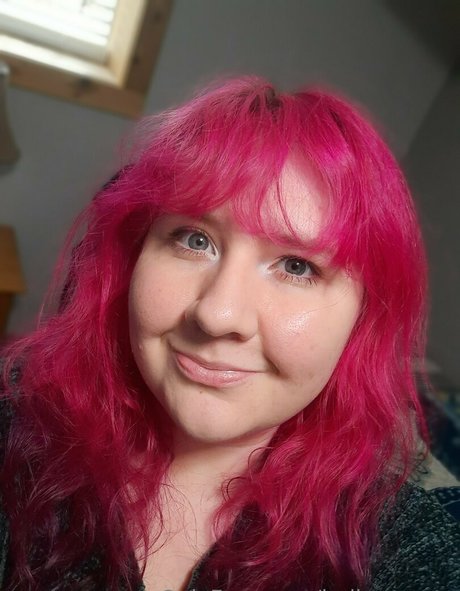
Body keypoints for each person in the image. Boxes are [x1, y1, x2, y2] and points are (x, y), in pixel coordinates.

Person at [0, 76, 458, 591]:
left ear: (363, 317)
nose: (217, 315)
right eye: (194, 239)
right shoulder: (17, 429)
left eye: (297, 266)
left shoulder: (402, 545)